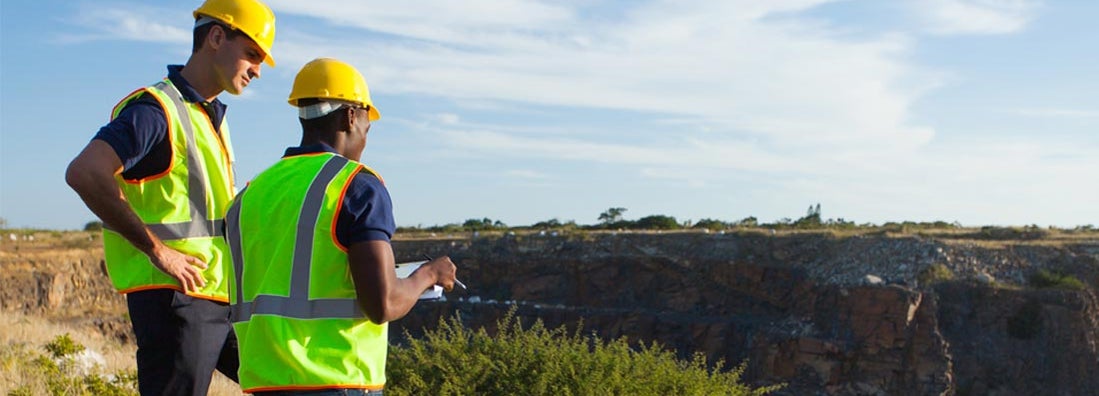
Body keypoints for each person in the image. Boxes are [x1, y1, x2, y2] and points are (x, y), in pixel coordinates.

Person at [64, 0, 276, 394]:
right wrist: (158, 250)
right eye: (251, 54)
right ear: (216, 37)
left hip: (215, 295)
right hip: (176, 300)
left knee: (281, 379)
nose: (257, 70)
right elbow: (85, 173)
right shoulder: (156, 110)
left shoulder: (208, 116)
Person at [224, 57, 458, 395]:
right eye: (367, 125)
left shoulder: (250, 194)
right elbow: (384, 304)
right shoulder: (356, 186)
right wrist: (429, 274)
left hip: (264, 384)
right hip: (337, 381)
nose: (365, 138)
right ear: (351, 116)